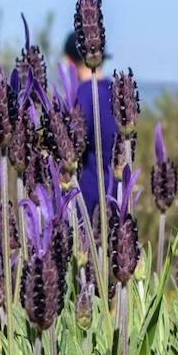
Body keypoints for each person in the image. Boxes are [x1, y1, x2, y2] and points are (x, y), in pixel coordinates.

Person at [63, 32, 116, 219]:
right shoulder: (116, 92)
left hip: (87, 198)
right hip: (116, 195)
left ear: (70, 61)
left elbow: (70, 147)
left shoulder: (82, 95)